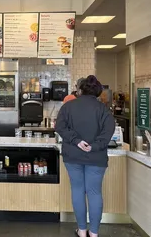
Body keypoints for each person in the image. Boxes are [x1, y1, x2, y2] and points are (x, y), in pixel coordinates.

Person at [55, 75, 115, 237]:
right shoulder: (103, 109)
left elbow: (59, 126)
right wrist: (93, 146)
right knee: (94, 192)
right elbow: (108, 131)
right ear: (98, 92)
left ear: (80, 90)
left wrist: (76, 141)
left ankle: (82, 231)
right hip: (96, 157)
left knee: (77, 190)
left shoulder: (68, 106)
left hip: (72, 156)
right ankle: (93, 233)